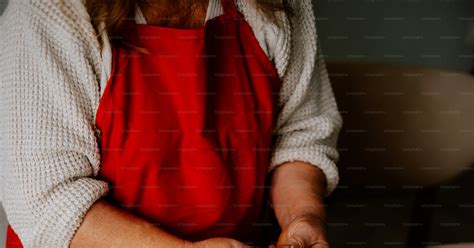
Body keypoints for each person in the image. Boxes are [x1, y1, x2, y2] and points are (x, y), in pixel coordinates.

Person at [0, 0, 342, 247]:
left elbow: (300, 134)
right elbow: (48, 203)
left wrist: (302, 216)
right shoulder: (48, 12)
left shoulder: (276, 7)